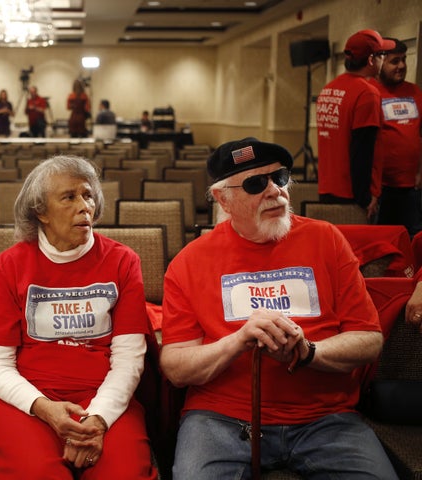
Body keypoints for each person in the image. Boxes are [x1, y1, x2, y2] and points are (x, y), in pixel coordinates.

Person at [160, 137, 397, 479]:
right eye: (256, 184)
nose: (274, 191)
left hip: (326, 418)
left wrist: (308, 351)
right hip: (222, 418)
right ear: (222, 199)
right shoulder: (188, 262)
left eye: (280, 178)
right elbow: (176, 367)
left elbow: (369, 340)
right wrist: (238, 340)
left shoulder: (327, 240)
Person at [0, 155, 158, 480]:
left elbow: (129, 360)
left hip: (102, 395)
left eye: (88, 195)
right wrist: (44, 407)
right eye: (69, 197)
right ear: (41, 212)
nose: (84, 206)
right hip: (25, 397)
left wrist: (98, 419)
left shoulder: (122, 262)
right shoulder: (9, 266)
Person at [316, 29, 395, 220]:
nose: (383, 59)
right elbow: (362, 150)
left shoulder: (329, 89)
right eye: (382, 55)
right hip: (353, 197)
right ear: (370, 60)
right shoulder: (366, 93)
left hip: (327, 189)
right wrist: (365, 198)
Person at [370, 38, 422, 237]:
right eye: (394, 61)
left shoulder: (415, 92)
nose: (401, 66)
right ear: (379, 62)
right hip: (382, 188)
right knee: (385, 243)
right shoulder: (371, 93)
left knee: (413, 240)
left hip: (412, 187)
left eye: (403, 60)